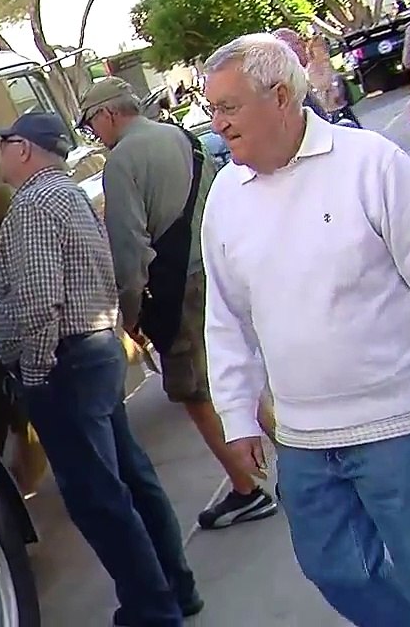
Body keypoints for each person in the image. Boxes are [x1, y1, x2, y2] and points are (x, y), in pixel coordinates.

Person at [201, 32, 410, 626]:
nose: (216, 123)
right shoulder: (225, 196)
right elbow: (226, 318)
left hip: (400, 427)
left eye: (228, 106)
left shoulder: (370, 164)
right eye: (211, 108)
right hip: (303, 440)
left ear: (279, 97)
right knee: (334, 569)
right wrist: (237, 416)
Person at [0, 112, 202, 627]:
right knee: (131, 478)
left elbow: (41, 299)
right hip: (97, 349)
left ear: (23, 149)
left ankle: (152, 609)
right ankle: (177, 587)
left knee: (99, 498)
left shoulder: (33, 206)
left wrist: (36, 370)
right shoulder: (70, 195)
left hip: (67, 362)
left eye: (4, 143)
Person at [75, 76, 278, 532]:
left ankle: (246, 489)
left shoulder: (122, 161)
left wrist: (128, 317)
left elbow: (129, 250)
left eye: (91, 123)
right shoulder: (181, 137)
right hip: (219, 268)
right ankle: (297, 460)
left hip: (178, 288)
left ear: (108, 113)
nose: (94, 133)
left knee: (195, 391)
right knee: (241, 371)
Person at [272, 28, 331, 120]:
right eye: (297, 43)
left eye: (301, 41)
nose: (303, 45)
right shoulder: (292, 85)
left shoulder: (306, 72)